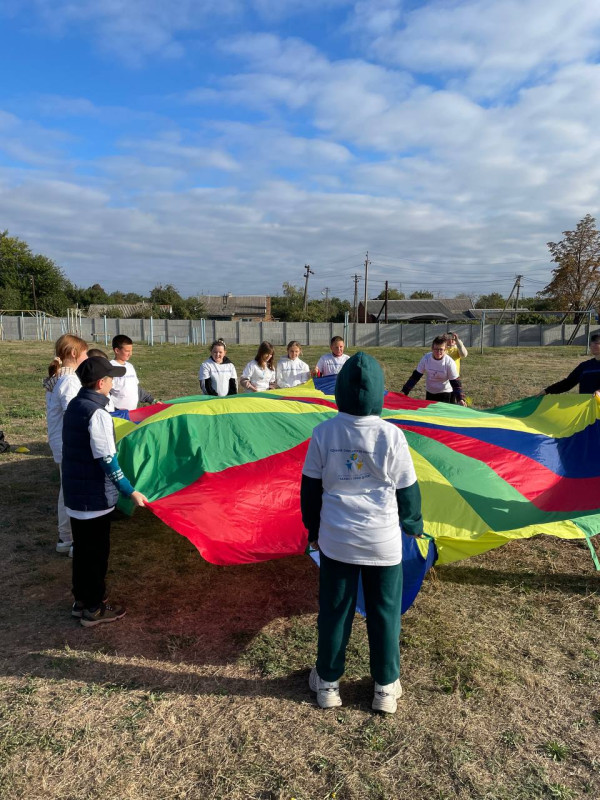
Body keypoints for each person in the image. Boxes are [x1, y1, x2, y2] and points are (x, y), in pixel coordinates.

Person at [301, 352, 424, 713]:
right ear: (380, 393)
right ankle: (385, 688)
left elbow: (310, 489)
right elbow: (408, 491)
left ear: (338, 390)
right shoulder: (393, 435)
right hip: (383, 542)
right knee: (385, 613)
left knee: (334, 611)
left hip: (336, 540)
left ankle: (328, 683)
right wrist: (413, 525)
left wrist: (312, 529)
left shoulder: (323, 433)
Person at [62, 356, 148, 627]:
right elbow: (107, 460)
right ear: (101, 383)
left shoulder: (76, 405)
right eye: (111, 378)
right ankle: (95, 608)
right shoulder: (96, 414)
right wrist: (129, 491)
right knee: (96, 555)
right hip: (93, 498)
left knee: (83, 552)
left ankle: (82, 601)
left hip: (77, 494)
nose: (113, 382)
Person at [43, 334, 89, 556]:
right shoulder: (70, 381)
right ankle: (72, 540)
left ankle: (65, 538)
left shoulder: (58, 378)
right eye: (85, 354)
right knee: (71, 492)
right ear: (73, 354)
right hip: (69, 445)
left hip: (61, 443)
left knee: (66, 490)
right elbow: (76, 414)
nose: (87, 358)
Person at [401, 336, 466, 405]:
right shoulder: (426, 359)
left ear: (445, 349)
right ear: (432, 348)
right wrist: (404, 391)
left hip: (446, 393)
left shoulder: (449, 362)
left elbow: (455, 383)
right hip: (430, 392)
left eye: (441, 349)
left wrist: (460, 399)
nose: (438, 352)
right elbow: (415, 376)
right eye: (436, 349)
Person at [109, 335, 155, 411]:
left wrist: (151, 400)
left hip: (132, 412)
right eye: (127, 351)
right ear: (117, 351)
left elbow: (135, 388)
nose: (130, 354)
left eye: (131, 350)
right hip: (117, 413)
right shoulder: (109, 368)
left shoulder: (130, 366)